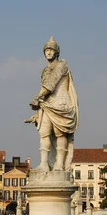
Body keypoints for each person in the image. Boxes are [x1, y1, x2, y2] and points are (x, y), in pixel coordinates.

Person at [25, 37, 79, 172]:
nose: (48, 52)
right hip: (47, 105)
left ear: (57, 52)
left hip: (61, 104)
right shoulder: (44, 70)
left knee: (60, 133)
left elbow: (50, 85)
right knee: (44, 133)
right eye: (46, 50)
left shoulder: (62, 65)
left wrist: (36, 98)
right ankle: (44, 163)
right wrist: (38, 112)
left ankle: (59, 164)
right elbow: (46, 90)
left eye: (51, 50)